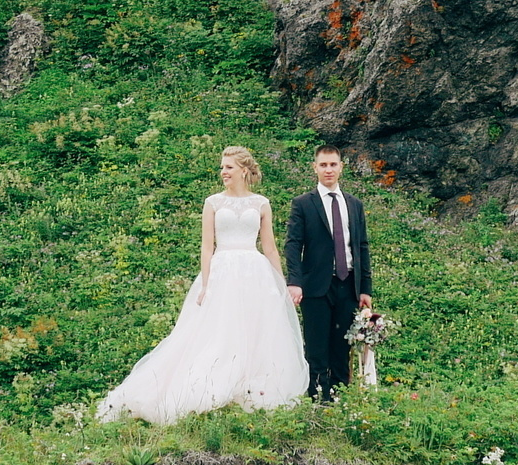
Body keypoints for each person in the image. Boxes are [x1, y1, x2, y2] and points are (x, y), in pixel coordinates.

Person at [96, 146, 309, 424]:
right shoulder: (213, 203)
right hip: (222, 270)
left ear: (244, 170)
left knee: (256, 332)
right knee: (218, 331)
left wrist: (281, 282)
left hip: (254, 271)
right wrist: (206, 284)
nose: (223, 172)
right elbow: (207, 246)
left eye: (229, 167)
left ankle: (250, 389)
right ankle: (207, 388)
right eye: (222, 167)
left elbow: (269, 248)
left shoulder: (261, 203)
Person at [284, 143, 372, 402]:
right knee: (316, 346)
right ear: (315, 168)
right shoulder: (303, 204)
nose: (329, 169)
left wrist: (365, 287)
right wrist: (295, 282)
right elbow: (293, 244)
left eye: (333, 164)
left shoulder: (354, 205)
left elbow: (362, 245)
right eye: (323, 165)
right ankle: (316, 399)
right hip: (316, 285)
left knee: (342, 345)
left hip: (348, 284)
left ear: (341, 167)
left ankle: (340, 398)